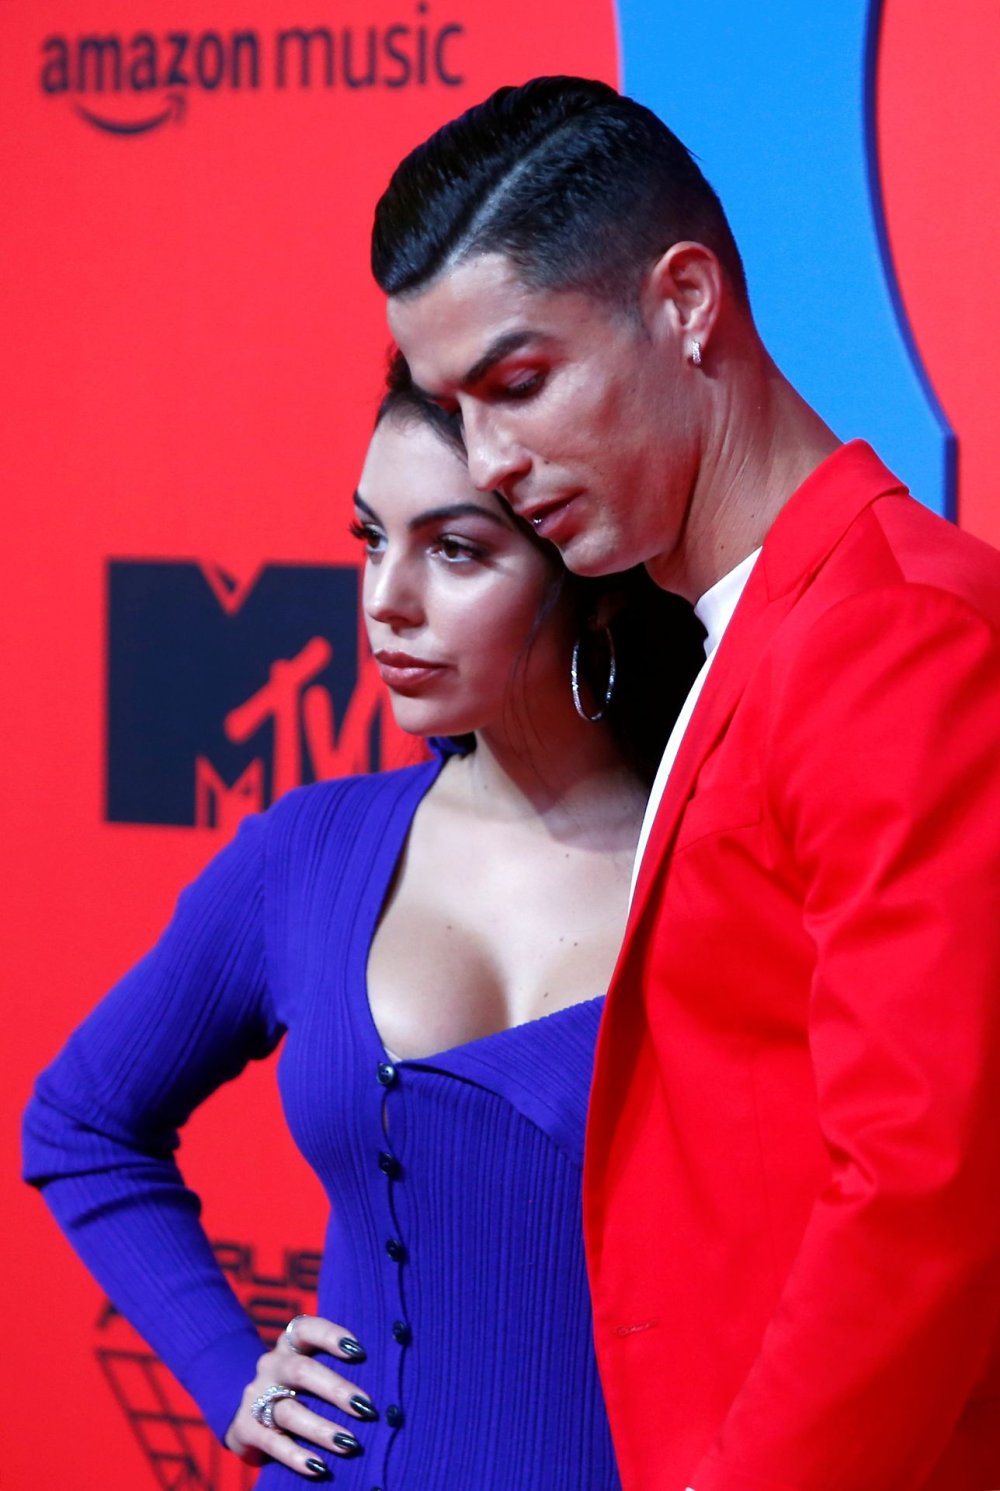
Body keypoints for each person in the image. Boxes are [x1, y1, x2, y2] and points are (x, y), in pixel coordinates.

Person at [370, 76, 1000, 1491]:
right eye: (454, 410)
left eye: (520, 384)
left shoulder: (894, 634)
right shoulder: (736, 625)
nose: (493, 465)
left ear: (688, 300)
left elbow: (923, 1192)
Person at [22, 356, 702, 1488]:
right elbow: (82, 1122)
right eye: (368, 539)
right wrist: (224, 1367)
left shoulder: (725, 864)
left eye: (454, 550)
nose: (386, 597)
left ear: (590, 576)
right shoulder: (310, 852)